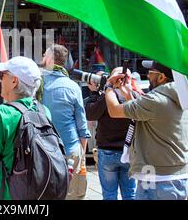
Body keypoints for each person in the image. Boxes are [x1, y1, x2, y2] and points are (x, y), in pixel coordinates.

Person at [105, 60, 188, 200]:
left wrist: (108, 85)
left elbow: (114, 110)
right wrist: (128, 94)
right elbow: (145, 114)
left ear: (161, 77)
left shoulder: (156, 100)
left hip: (157, 179)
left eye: (150, 73)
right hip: (173, 175)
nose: (148, 76)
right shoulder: (181, 97)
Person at [0, 56, 51, 200]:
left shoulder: (0, 114)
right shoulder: (44, 111)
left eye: (2, 75)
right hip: (35, 193)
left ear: (14, 81)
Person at [40, 44, 91, 200]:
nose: (42, 57)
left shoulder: (38, 83)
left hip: (44, 152)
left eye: (44, 55)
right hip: (71, 150)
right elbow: (82, 126)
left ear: (49, 59)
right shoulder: (73, 87)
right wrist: (81, 157)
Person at [85, 67, 139, 200]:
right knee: (130, 194)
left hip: (107, 151)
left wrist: (101, 91)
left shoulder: (106, 97)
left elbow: (90, 113)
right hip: (128, 152)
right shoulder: (135, 98)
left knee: (109, 195)